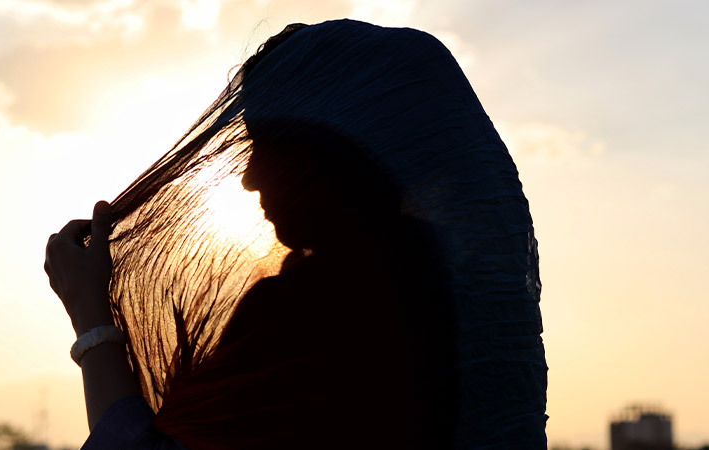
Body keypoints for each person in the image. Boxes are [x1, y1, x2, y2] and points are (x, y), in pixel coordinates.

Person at [44, 19, 547, 449]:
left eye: (267, 148)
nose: (248, 177)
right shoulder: (444, 292)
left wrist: (91, 317)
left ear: (328, 158)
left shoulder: (329, 304)